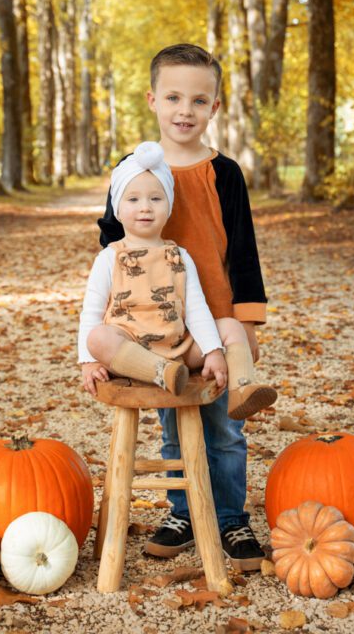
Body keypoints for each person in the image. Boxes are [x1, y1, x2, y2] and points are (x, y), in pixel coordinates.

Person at [95, 43, 275, 572]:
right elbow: (111, 248)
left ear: (215, 107)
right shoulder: (132, 173)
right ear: (152, 99)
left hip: (215, 318)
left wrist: (245, 321)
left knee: (224, 427)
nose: (184, 110)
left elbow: (243, 252)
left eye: (198, 100)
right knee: (173, 419)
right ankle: (181, 511)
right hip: (156, 326)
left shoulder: (225, 175)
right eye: (173, 97)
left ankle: (229, 518)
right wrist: (107, 330)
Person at [79, 142, 276, 421]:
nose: (145, 207)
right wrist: (88, 361)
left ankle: (243, 388)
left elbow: (196, 311)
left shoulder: (179, 256)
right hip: (132, 351)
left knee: (231, 326)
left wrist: (212, 350)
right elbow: (91, 312)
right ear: (118, 210)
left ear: (169, 208)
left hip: (179, 348)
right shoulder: (109, 258)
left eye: (155, 199)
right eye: (133, 199)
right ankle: (160, 371)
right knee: (98, 336)